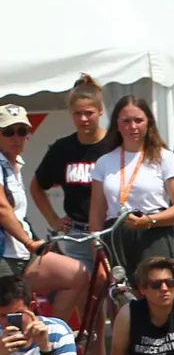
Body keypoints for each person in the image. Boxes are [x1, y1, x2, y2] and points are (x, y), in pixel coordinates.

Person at [27, 75, 114, 325]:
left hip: (110, 232)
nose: (83, 119)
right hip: (77, 235)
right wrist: (54, 219)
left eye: (89, 113)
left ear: (100, 111)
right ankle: (65, 352)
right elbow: (36, 186)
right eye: (77, 114)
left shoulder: (113, 146)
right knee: (89, 313)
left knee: (119, 301)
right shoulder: (62, 149)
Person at [89, 95, 174, 279]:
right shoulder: (104, 162)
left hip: (154, 235)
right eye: (126, 121)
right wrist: (99, 255)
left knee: (158, 295)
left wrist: (149, 220)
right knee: (120, 299)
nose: (132, 127)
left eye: (138, 120)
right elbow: (96, 213)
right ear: (117, 124)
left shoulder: (165, 158)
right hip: (116, 236)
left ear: (148, 123)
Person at [0, 103, 47, 280]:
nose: (16, 137)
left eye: (22, 131)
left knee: (75, 276)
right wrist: (29, 242)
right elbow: (2, 208)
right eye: (8, 132)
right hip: (4, 254)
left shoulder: (16, 163)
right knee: (10, 306)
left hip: (23, 252)